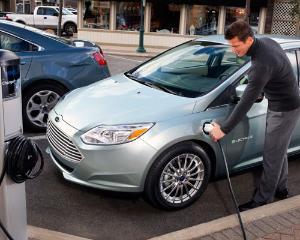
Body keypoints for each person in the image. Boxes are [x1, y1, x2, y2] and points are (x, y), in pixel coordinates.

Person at [209, 20, 300, 211]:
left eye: (236, 45)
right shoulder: (267, 42)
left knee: (271, 156)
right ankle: (281, 189)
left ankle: (261, 201)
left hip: (284, 109)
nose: (233, 50)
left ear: (249, 40)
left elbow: (246, 101)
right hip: (283, 104)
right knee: (278, 151)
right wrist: (264, 88)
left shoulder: (261, 64)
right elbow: (278, 70)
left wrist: (223, 129)